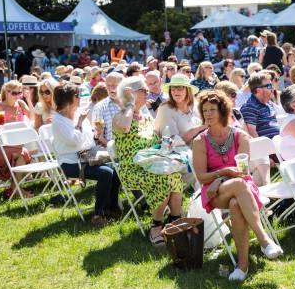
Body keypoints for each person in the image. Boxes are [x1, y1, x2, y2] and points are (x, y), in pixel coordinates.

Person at [192, 90, 283, 281]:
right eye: (205, 110)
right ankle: (263, 239)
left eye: (212, 109)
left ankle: (242, 267)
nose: (208, 114)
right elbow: (201, 177)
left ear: (223, 110)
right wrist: (223, 173)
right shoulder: (200, 141)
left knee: (236, 203)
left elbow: (242, 170)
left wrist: (225, 177)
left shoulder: (240, 136)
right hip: (214, 191)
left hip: (241, 187)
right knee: (239, 185)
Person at [112, 76, 183, 243]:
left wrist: (166, 143)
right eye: (143, 90)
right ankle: (156, 226)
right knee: (163, 179)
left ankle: (175, 222)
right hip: (133, 168)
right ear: (130, 93)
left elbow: (156, 140)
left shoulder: (146, 117)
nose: (147, 93)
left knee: (175, 176)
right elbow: (124, 127)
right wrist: (130, 103)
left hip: (153, 164)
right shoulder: (120, 116)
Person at [51, 83, 121, 227]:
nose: (79, 98)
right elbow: (74, 141)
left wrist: (98, 135)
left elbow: (88, 139)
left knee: (116, 170)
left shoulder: (77, 114)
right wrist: (80, 122)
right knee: (105, 173)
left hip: (87, 157)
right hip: (70, 163)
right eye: (77, 95)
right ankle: (98, 214)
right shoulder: (58, 120)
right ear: (69, 99)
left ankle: (111, 208)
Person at [154, 74, 205, 144]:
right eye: (172, 88)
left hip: (198, 149)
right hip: (176, 153)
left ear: (188, 90)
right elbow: (171, 142)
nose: (175, 92)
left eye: (179, 88)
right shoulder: (165, 109)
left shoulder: (195, 104)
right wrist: (198, 129)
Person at [240, 72, 280, 139]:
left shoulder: (269, 104)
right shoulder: (249, 107)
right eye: (269, 86)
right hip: (267, 147)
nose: (272, 88)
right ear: (258, 90)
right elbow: (252, 134)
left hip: (277, 143)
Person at [92, 71, 124, 146]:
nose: (111, 88)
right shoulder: (100, 107)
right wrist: (114, 150)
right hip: (112, 152)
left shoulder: (132, 103)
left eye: (114, 85)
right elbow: (99, 136)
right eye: (108, 85)